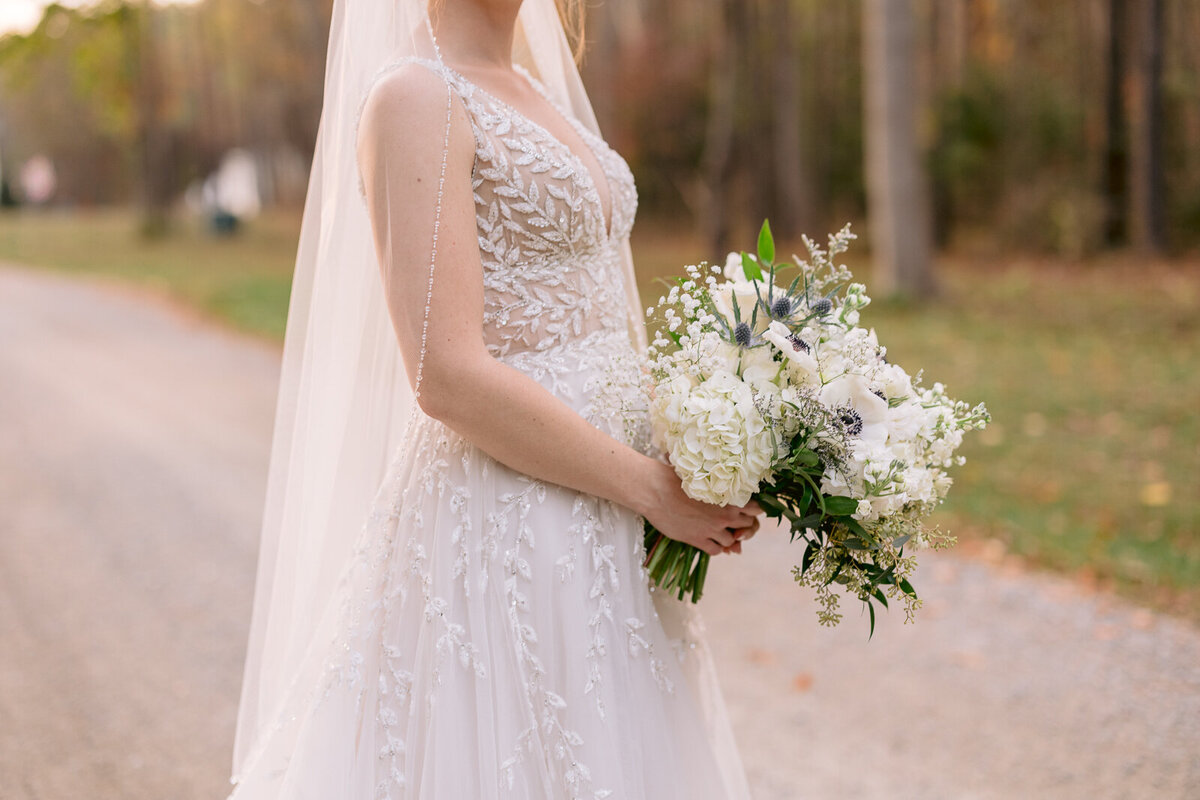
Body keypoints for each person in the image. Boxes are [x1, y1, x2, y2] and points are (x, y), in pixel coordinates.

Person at [229, 1, 759, 797]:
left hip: (614, 517)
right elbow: (445, 373)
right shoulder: (415, 96)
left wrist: (713, 434)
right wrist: (649, 488)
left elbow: (599, 314)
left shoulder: (530, 86)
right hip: (511, 520)